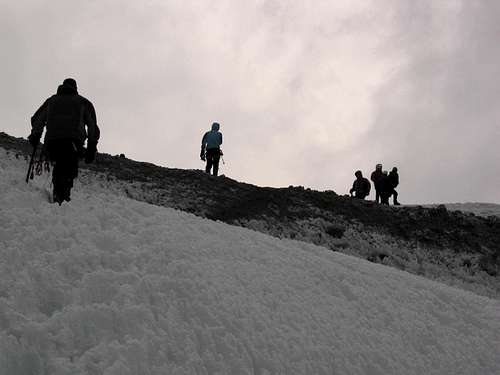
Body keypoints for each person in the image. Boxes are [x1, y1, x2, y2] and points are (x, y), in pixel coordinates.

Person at [28, 78, 100, 204]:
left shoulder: (51, 101)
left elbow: (37, 119)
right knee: (69, 168)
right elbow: (92, 126)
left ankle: (58, 195)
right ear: (75, 88)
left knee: (60, 165)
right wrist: (91, 147)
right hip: (74, 142)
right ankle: (63, 199)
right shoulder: (83, 102)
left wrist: (35, 134)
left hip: (52, 142)